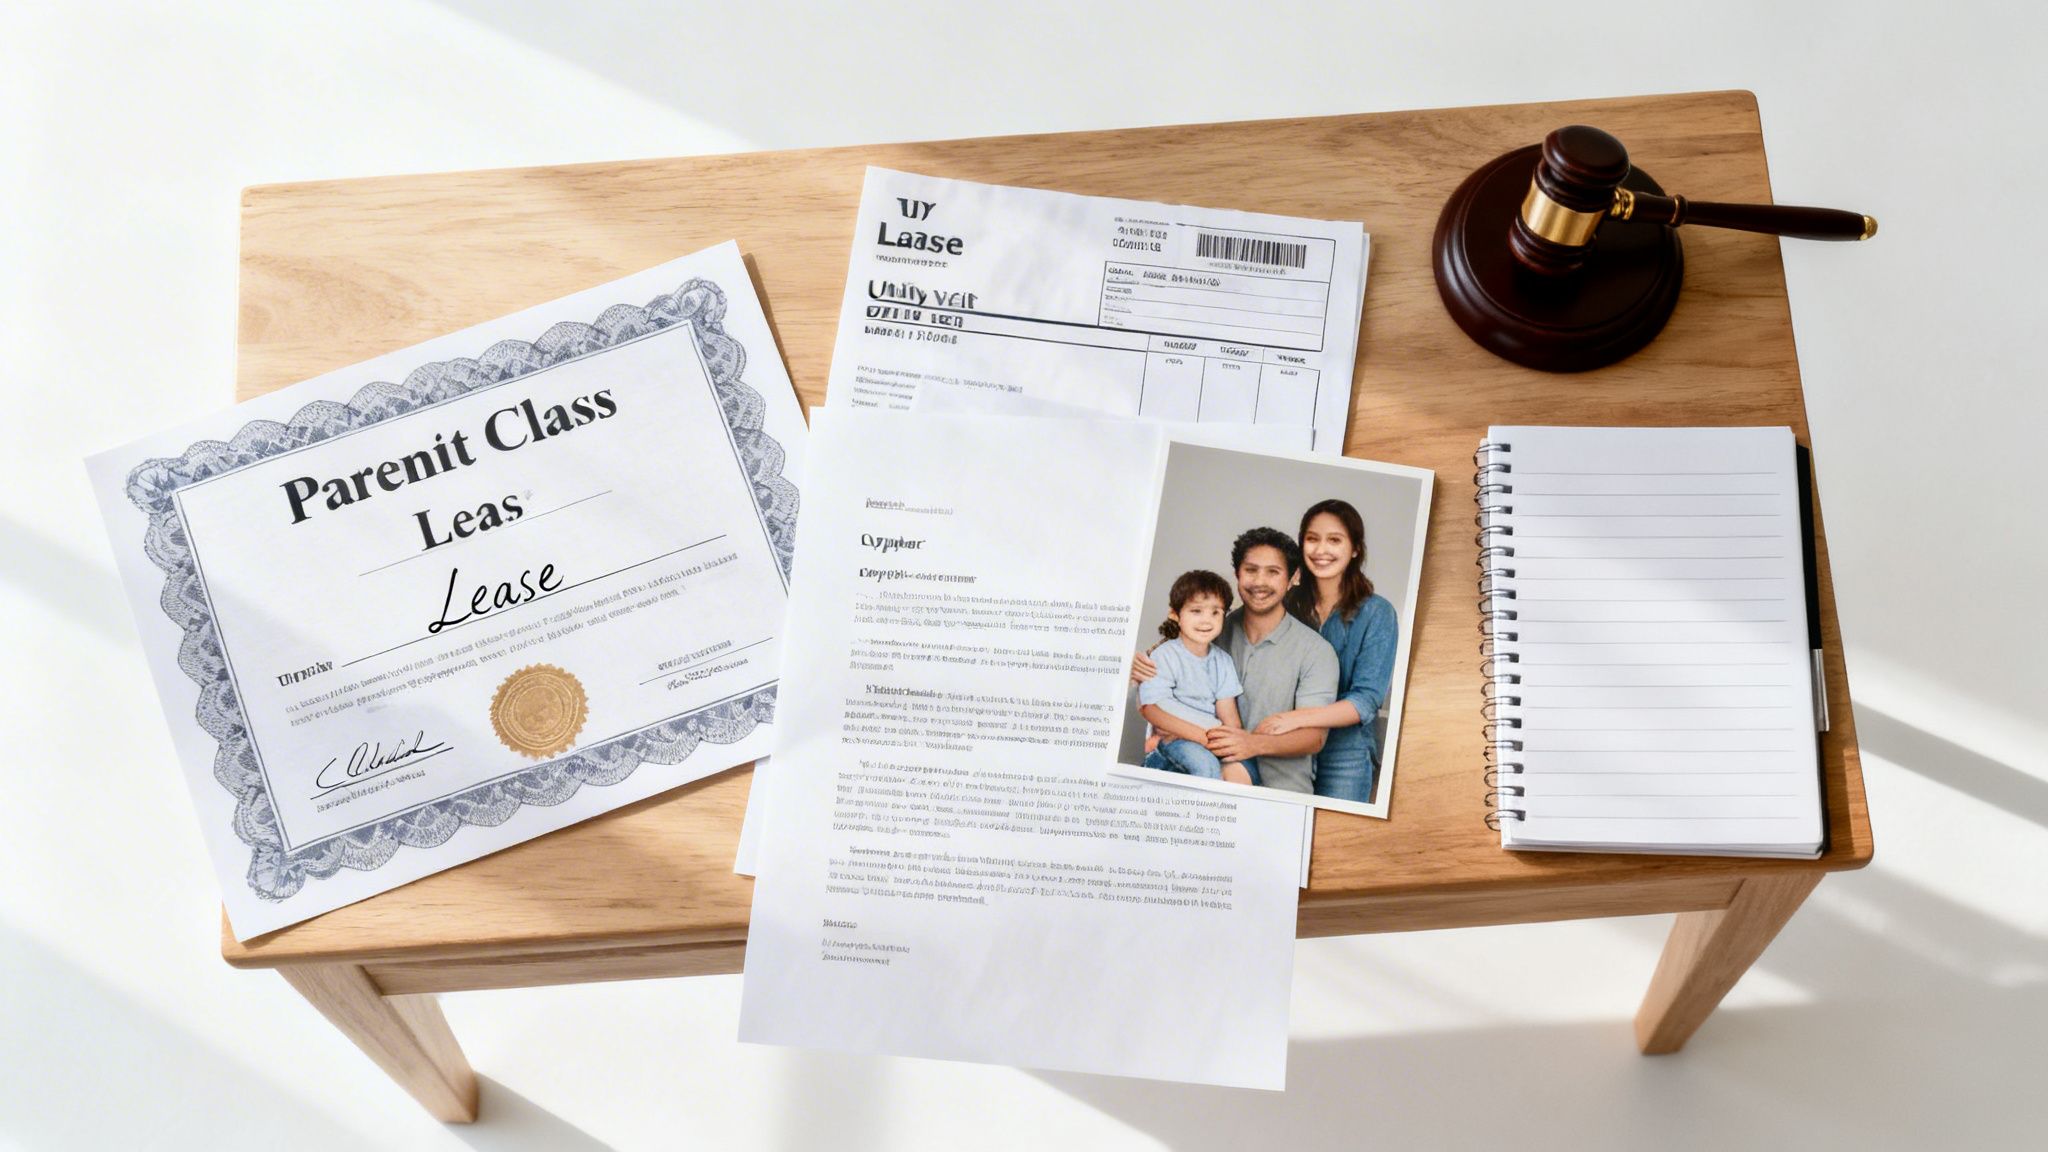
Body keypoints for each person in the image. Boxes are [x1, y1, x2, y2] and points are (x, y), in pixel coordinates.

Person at [1133, 527, 1338, 794]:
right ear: (1237, 575)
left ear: (1294, 578)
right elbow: (1155, 694)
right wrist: (1136, 667)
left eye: (1273, 572)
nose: (1259, 582)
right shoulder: (1209, 633)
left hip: (1282, 790)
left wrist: (1252, 744)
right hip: (1201, 772)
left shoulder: (1316, 652)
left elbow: (1314, 738)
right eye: (1251, 570)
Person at [1255, 499, 1398, 804]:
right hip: (1285, 746)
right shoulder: (1285, 603)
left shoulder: (1378, 613)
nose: (1321, 550)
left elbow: (1365, 700)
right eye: (1312, 539)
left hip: (1344, 754)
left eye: (1334, 540)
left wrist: (1297, 718)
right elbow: (1233, 638)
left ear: (1355, 548)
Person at [1136, 570, 1257, 786]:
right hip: (1176, 739)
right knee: (1206, 766)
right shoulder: (1164, 655)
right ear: (1175, 615)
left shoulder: (1223, 661)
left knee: (1248, 771)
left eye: (1215, 612)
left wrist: (1230, 742)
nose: (1206, 620)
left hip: (1209, 738)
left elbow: (1229, 717)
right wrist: (1201, 735)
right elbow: (1151, 709)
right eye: (1196, 611)